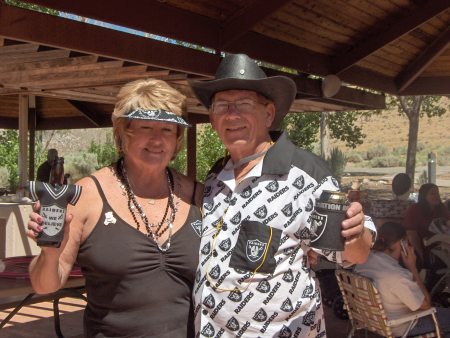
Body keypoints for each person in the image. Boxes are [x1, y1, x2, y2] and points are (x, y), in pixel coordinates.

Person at [189, 53, 374, 337]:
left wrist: (356, 232)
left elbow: (355, 254)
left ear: (269, 114)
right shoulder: (215, 177)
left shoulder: (303, 174)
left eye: (244, 104)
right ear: (212, 119)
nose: (232, 114)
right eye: (222, 106)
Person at [27, 78, 203, 337]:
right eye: (145, 127)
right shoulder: (85, 196)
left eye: (167, 129)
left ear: (178, 138)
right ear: (123, 132)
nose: (157, 139)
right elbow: (45, 286)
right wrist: (49, 252)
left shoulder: (198, 195)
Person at [355, 222, 450, 337]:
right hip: (401, 326)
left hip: (372, 321)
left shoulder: (365, 260)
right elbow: (426, 304)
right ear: (402, 243)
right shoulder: (397, 276)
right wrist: (413, 268)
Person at [403, 183, 450, 266]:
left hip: (443, 244)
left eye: (437, 193)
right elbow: (411, 234)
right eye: (432, 194)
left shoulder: (441, 208)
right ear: (424, 196)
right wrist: (421, 255)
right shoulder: (414, 210)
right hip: (422, 246)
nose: (437, 196)